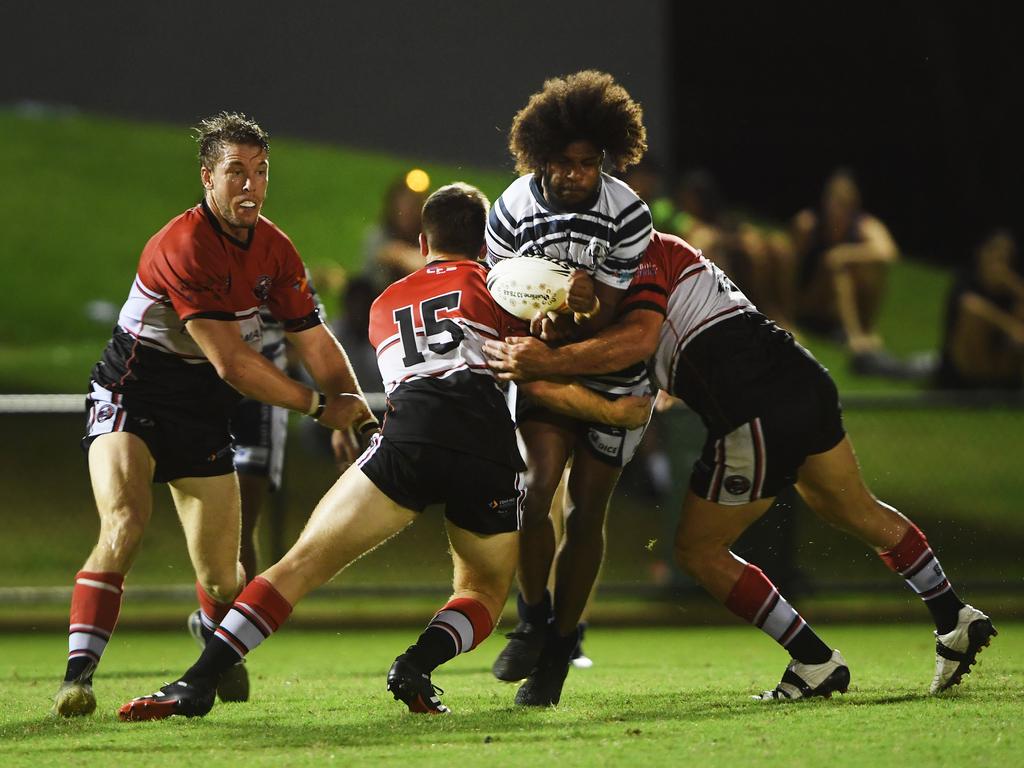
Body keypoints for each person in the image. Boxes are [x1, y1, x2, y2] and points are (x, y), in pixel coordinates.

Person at [116, 182, 650, 721]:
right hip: (486, 445)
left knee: (297, 566)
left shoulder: (383, 302)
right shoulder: (500, 285)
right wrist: (608, 402)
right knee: (485, 592)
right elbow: (535, 364)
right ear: (489, 242)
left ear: (422, 240)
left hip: (410, 433)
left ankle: (198, 681)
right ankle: (416, 664)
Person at [484, 230, 997, 700]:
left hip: (752, 407)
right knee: (853, 509)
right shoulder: (666, 254)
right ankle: (953, 614)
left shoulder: (632, 278)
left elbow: (630, 396)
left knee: (698, 550)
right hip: (802, 378)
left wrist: (543, 367)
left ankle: (813, 660)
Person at [53, 112, 376, 718]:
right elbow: (232, 364)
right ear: (207, 178)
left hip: (202, 415)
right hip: (134, 398)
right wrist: (318, 407)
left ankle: (212, 639)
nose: (250, 186)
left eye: (261, 172)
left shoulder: (275, 248)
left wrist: (354, 413)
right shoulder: (184, 245)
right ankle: (78, 678)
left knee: (227, 578)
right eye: (236, 173)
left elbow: (314, 341)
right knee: (124, 522)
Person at [485, 69, 654, 706]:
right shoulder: (510, 208)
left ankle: (558, 647)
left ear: (605, 159)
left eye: (587, 163)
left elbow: (609, 315)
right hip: (542, 364)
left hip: (611, 372)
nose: (574, 175)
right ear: (541, 156)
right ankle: (531, 619)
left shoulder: (628, 211)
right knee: (536, 485)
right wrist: (545, 310)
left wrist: (575, 306)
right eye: (562, 162)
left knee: (589, 511)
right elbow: (500, 300)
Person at [792, 169, 904, 375]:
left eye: (845, 203)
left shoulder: (863, 225)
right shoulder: (808, 224)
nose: (838, 209)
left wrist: (845, 253)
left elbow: (889, 252)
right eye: (834, 201)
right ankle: (855, 337)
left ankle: (865, 328)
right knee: (838, 271)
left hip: (839, 305)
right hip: (810, 300)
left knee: (869, 268)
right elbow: (791, 270)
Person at [935, 229, 1024, 389]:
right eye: (994, 254)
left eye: (1005, 257)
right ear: (981, 254)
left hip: (1002, 364)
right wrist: (1011, 328)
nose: (998, 263)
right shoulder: (966, 279)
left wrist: (1012, 284)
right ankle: (981, 384)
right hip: (965, 367)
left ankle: (1005, 383)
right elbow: (971, 306)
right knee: (974, 316)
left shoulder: (1011, 287)